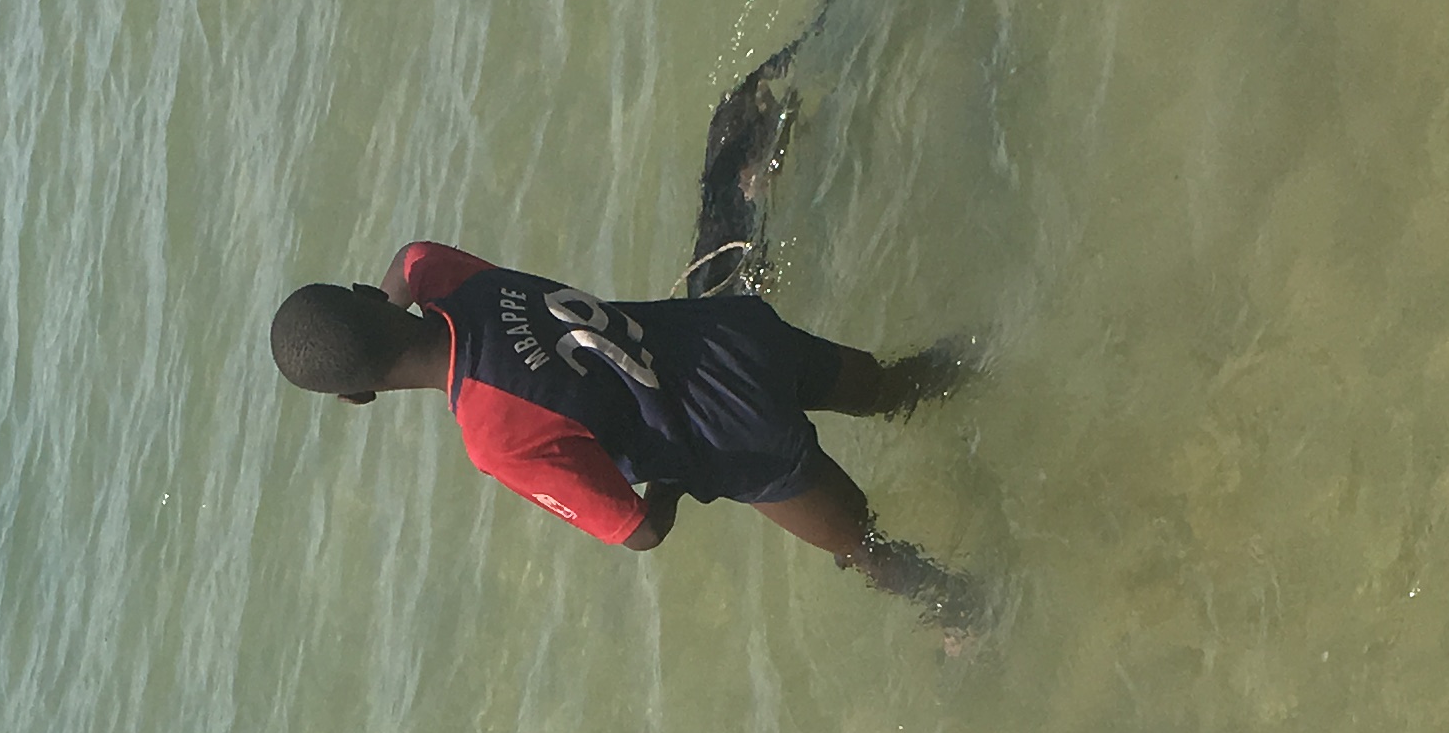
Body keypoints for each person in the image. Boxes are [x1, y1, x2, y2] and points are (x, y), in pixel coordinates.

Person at [268, 241, 981, 623]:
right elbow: (404, 265)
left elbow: (640, 530)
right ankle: (981, 366)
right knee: (898, 386)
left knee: (866, 549)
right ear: (369, 298)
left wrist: (675, 471)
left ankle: (972, 619)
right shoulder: (439, 274)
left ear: (357, 398)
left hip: (731, 439)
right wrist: (378, 309)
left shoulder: (494, 435)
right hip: (727, 339)